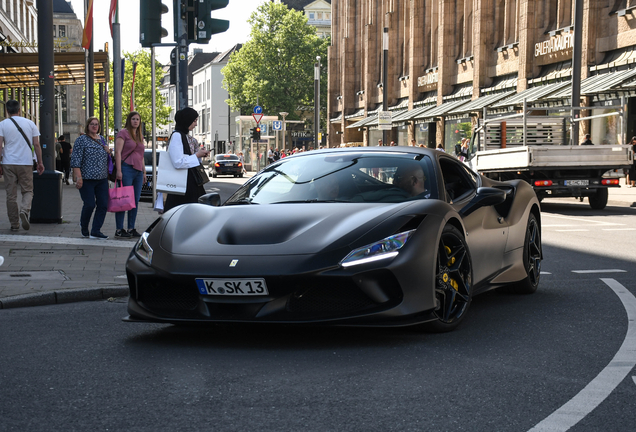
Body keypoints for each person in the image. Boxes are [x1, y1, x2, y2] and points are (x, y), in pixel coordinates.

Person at [0, 99, 45, 231]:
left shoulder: (2, 124)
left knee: (11, 195)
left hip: (8, 163)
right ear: (19, 110)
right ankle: (24, 211)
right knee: (28, 191)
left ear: (7, 111)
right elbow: (36, 145)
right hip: (25, 162)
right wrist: (40, 162)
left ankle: (14, 224)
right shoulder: (30, 123)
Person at [70, 117, 111, 239]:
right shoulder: (81, 140)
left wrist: (109, 151)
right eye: (92, 124)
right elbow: (75, 160)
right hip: (86, 179)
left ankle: (96, 230)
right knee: (89, 204)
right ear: (87, 126)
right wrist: (79, 178)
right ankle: (84, 226)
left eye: (96, 124)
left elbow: (107, 159)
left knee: (103, 204)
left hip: (102, 179)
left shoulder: (102, 139)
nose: (94, 126)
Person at [164, 107, 210, 212]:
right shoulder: (177, 136)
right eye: (194, 121)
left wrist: (199, 155)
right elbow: (178, 162)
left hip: (186, 186)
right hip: (183, 186)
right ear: (187, 120)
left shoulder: (182, 135)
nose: (196, 124)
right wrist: (197, 155)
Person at [113, 111, 146, 239]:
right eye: (133, 119)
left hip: (138, 171)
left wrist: (144, 172)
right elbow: (118, 152)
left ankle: (131, 228)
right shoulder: (123, 133)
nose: (136, 121)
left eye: (138, 119)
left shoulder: (139, 135)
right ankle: (119, 229)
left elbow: (141, 156)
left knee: (135, 201)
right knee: (123, 199)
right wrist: (119, 170)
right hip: (126, 168)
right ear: (129, 120)